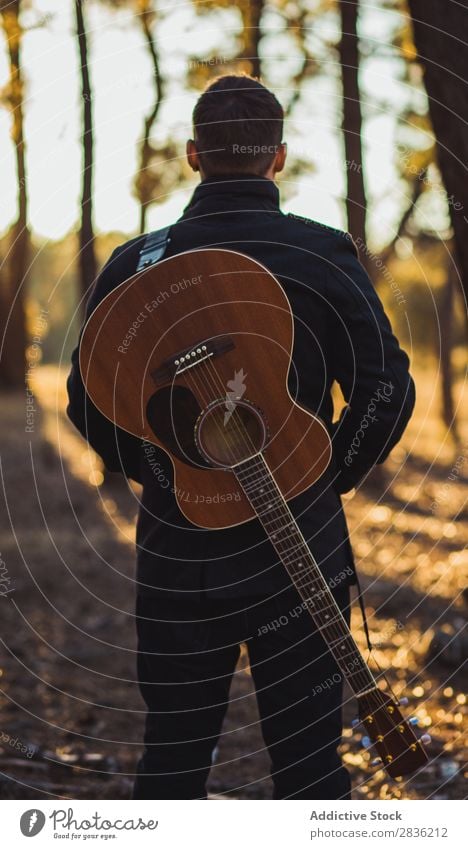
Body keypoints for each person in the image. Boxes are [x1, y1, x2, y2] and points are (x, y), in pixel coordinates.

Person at [66, 74, 415, 800]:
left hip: (177, 556)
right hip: (303, 554)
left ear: (194, 154)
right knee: (311, 772)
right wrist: (322, 475)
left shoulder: (139, 263)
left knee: (173, 761)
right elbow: (387, 388)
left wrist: (167, 474)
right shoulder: (320, 252)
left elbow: (85, 400)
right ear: (278, 157)